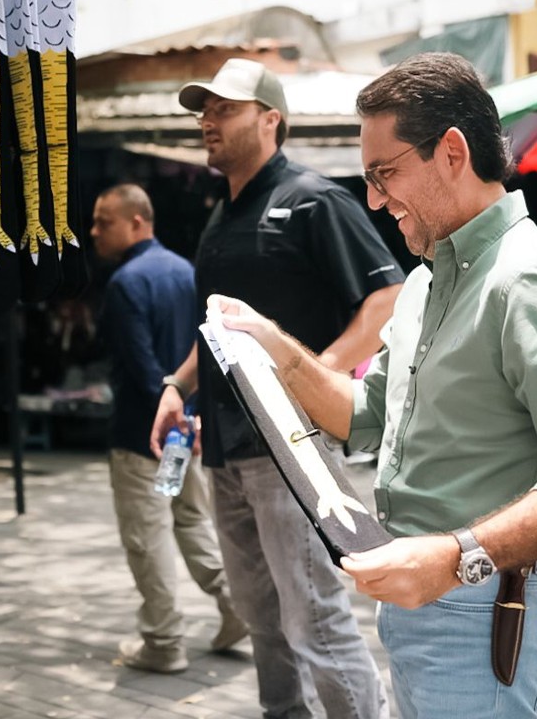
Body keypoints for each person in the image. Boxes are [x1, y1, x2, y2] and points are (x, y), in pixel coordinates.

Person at [206, 52, 537, 717]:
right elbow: (363, 414)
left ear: (450, 151)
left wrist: (456, 558)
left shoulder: (529, 276)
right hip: (426, 596)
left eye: (385, 175)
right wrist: (274, 347)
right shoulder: (425, 281)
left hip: (486, 601)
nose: (376, 200)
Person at [153, 58, 403, 718]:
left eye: (223, 109)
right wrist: (178, 386)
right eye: (203, 110)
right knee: (262, 619)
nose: (207, 121)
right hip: (226, 449)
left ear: (271, 119)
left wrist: (314, 375)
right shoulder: (221, 215)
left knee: (315, 618)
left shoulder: (313, 198)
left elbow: (388, 298)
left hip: (291, 445)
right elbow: (216, 328)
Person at [92, 183, 248, 674]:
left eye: (104, 221)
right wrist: (196, 415)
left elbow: (143, 370)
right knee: (189, 521)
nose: (94, 232)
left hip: (145, 434)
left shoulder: (124, 283)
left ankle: (164, 640)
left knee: (148, 536)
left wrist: (173, 408)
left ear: (137, 220)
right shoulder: (187, 272)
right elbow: (206, 353)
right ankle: (236, 606)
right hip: (190, 431)